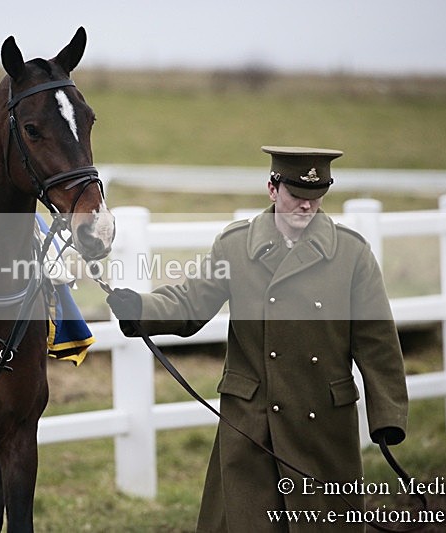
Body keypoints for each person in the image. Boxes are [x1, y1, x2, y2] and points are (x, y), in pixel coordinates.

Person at [106, 146, 408, 532]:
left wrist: (388, 416)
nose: (307, 207)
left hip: (322, 426)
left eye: (316, 197)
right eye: (297, 196)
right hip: (251, 425)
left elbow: (377, 340)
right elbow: (192, 300)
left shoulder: (352, 254)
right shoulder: (235, 245)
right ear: (272, 188)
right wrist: (143, 308)